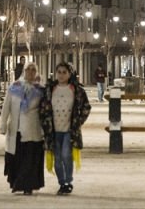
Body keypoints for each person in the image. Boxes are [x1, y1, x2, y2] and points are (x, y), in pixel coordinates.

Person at [39, 62, 91, 195]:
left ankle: (68, 181)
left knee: (66, 154)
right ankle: (62, 183)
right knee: (57, 159)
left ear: (69, 74)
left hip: (69, 130)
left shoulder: (77, 90)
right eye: (59, 72)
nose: (61, 75)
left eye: (64, 72)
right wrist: (44, 123)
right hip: (53, 131)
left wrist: (78, 122)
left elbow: (86, 107)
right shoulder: (50, 90)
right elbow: (42, 108)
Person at [0, 61, 45, 195]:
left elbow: (45, 110)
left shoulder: (40, 90)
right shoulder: (14, 87)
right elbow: (6, 107)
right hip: (16, 129)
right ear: (23, 71)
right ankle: (16, 183)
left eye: (33, 70)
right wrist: (3, 125)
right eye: (28, 69)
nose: (30, 72)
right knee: (17, 158)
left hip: (33, 129)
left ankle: (27, 186)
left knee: (30, 159)